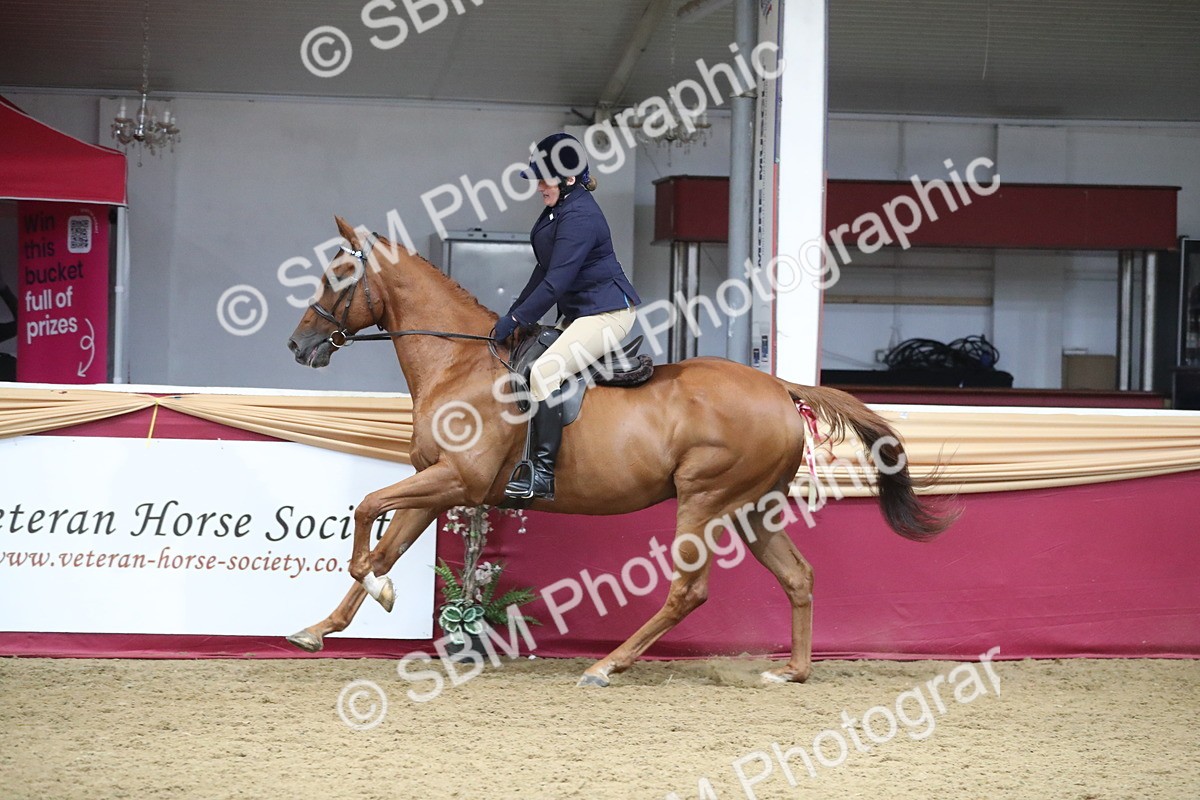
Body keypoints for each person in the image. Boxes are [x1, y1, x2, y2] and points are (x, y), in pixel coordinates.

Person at [493, 133, 642, 501]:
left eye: (544, 179)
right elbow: (543, 271)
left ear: (569, 178)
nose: (539, 187)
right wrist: (515, 314)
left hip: (607, 314)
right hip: (581, 313)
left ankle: (542, 474)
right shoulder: (559, 206)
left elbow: (556, 283)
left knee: (545, 372)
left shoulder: (581, 216)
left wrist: (513, 321)